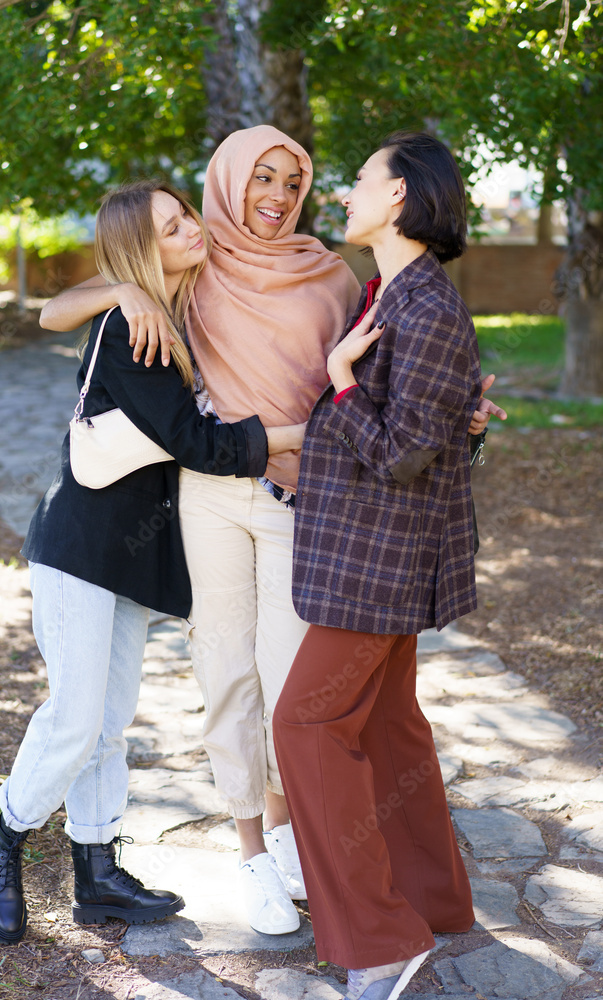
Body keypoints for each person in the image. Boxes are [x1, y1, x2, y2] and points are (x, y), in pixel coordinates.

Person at [39, 126, 503, 937]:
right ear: (227, 182)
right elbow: (56, 308)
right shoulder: (194, 260)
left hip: (306, 499)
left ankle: (290, 838)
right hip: (210, 494)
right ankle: (250, 852)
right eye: (262, 177)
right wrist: (129, 293)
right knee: (225, 672)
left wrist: (461, 423)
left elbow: (391, 390)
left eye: (294, 179)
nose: (279, 195)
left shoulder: (334, 274)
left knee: (293, 687)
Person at [0, 180, 305, 945]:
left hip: (130, 558)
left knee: (109, 722)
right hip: (80, 548)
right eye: (168, 227)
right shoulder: (134, 329)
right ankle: (4, 834)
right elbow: (201, 447)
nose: (189, 227)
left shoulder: (177, 306)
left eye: (185, 214)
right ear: (141, 249)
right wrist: (304, 434)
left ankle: (96, 871)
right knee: (76, 715)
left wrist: (131, 283)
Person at [273, 131, 483, 1000]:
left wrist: (341, 380)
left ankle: (378, 938)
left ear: (399, 195)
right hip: (372, 554)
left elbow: (401, 454)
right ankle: (430, 903)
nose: (345, 193)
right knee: (389, 726)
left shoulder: (424, 305)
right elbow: (440, 433)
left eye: (359, 180)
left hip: (381, 564)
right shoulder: (387, 293)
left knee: (307, 727)